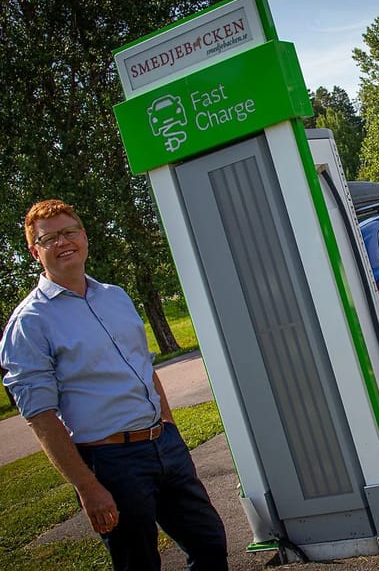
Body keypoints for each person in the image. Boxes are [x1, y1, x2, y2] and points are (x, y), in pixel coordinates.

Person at [0, 199, 228, 570]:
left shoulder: (114, 296)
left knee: (210, 544)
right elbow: (39, 416)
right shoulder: (30, 322)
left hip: (163, 446)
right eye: (50, 238)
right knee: (138, 563)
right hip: (110, 463)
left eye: (69, 231)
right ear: (34, 251)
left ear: (84, 236)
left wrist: (168, 428)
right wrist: (87, 487)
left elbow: (144, 368)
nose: (63, 242)